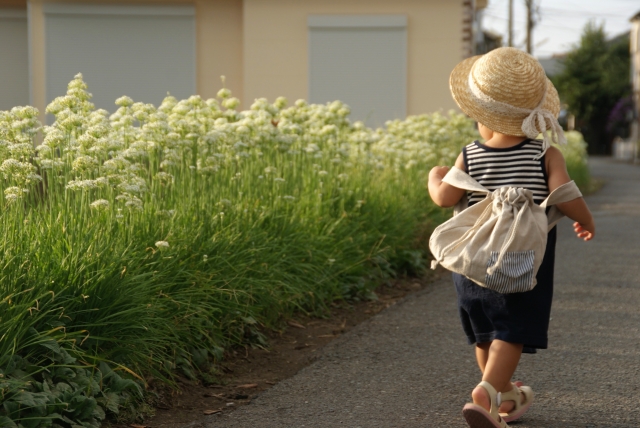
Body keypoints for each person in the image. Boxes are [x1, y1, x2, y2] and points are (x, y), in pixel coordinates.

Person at [427, 47, 595, 428]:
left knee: (486, 331)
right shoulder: (544, 153)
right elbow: (566, 194)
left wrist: (434, 177)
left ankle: (500, 394)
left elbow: (444, 198)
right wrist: (586, 221)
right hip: (522, 263)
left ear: (483, 118)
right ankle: (488, 392)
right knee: (512, 329)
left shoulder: (468, 155)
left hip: (471, 264)